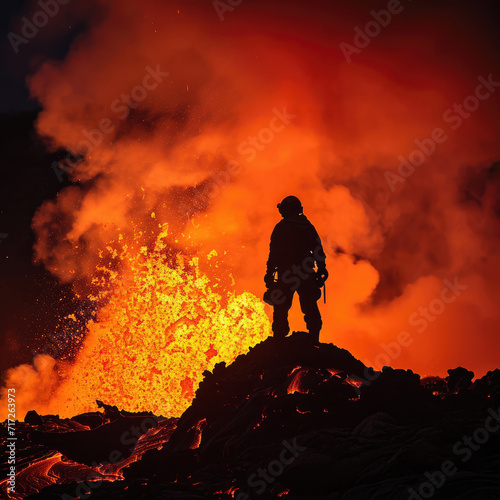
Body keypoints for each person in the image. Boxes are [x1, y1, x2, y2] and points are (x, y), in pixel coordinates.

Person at [263, 196, 328, 345]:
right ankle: (314, 339)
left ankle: (279, 340)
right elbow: (318, 249)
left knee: (281, 307)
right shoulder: (307, 226)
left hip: (286, 275)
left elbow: (274, 254)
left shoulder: (281, 227)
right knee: (310, 305)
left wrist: (269, 274)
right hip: (306, 273)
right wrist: (322, 267)